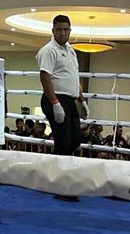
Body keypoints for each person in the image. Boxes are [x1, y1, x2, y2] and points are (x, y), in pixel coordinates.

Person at [36, 14, 90, 202]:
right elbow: (45, 78)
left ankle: (51, 177)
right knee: (64, 142)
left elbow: (73, 78)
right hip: (55, 99)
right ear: (53, 30)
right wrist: (55, 103)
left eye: (66, 29)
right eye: (59, 29)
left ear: (70, 31)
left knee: (75, 141)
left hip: (70, 101)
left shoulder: (71, 51)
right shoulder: (48, 50)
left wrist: (82, 100)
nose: (62, 32)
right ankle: (62, 187)